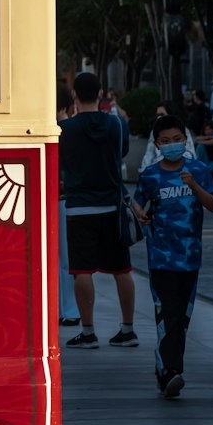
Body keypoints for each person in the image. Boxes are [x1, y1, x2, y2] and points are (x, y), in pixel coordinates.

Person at [132, 114, 213, 399]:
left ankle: (163, 370)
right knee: (167, 314)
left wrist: (194, 186)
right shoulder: (151, 175)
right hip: (161, 258)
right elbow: (137, 202)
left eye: (177, 140)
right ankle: (172, 371)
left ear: (186, 140)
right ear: (157, 144)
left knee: (181, 318)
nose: (172, 145)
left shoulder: (198, 169)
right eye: (165, 141)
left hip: (191, 257)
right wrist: (138, 212)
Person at [60, 71, 136, 349]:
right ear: (101, 94)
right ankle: (128, 329)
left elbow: (61, 162)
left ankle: (88, 332)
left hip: (79, 207)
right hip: (112, 207)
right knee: (122, 269)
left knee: (82, 271)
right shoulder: (117, 125)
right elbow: (122, 152)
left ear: (74, 96)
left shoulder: (65, 130)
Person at [56, 84, 80, 327]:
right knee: (68, 259)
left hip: (59, 197)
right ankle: (70, 309)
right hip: (71, 197)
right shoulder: (73, 129)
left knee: (61, 259)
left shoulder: (60, 131)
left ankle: (67, 309)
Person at [141, 104, 196, 170]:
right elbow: (149, 155)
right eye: (158, 115)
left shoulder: (183, 130)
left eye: (162, 114)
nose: (159, 118)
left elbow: (191, 153)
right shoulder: (154, 132)